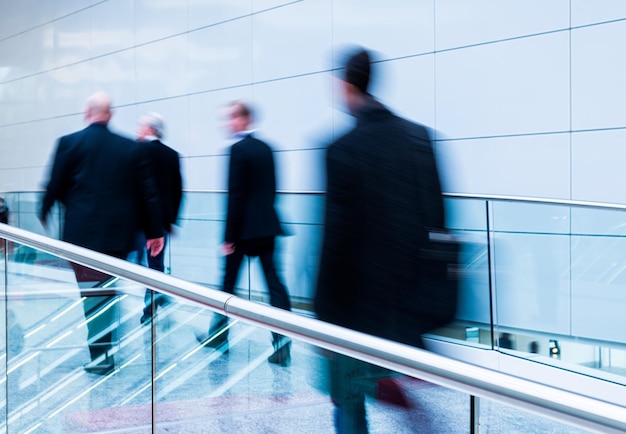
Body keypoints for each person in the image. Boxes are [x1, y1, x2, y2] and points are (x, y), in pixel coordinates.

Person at [314, 48, 447, 433]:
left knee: (350, 403)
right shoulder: (419, 139)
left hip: (355, 312)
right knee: (409, 402)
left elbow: (334, 242)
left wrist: (323, 317)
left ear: (345, 85)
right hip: (408, 307)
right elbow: (438, 221)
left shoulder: (341, 150)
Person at [40, 91, 164, 375]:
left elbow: (54, 184)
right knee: (109, 289)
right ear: (110, 115)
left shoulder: (70, 143)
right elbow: (148, 193)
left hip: (81, 236)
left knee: (90, 294)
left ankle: (101, 353)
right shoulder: (131, 148)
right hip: (118, 237)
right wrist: (154, 231)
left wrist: (45, 209)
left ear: (88, 113)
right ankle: (106, 345)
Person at [196, 101, 292, 366]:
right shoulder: (267, 148)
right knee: (275, 285)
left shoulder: (237, 150)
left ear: (243, 119)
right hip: (267, 226)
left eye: (231, 118)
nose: (227, 123)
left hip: (242, 232)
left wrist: (228, 237)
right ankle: (282, 345)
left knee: (227, 285)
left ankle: (218, 336)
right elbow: (273, 189)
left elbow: (235, 196)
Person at [134, 112, 183, 325]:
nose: (138, 130)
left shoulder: (137, 151)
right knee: (155, 264)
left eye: (141, 127)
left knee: (137, 261)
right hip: (162, 222)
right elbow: (178, 190)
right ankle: (152, 305)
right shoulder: (172, 155)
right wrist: (172, 220)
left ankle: (156, 299)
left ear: (150, 129)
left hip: (138, 220)